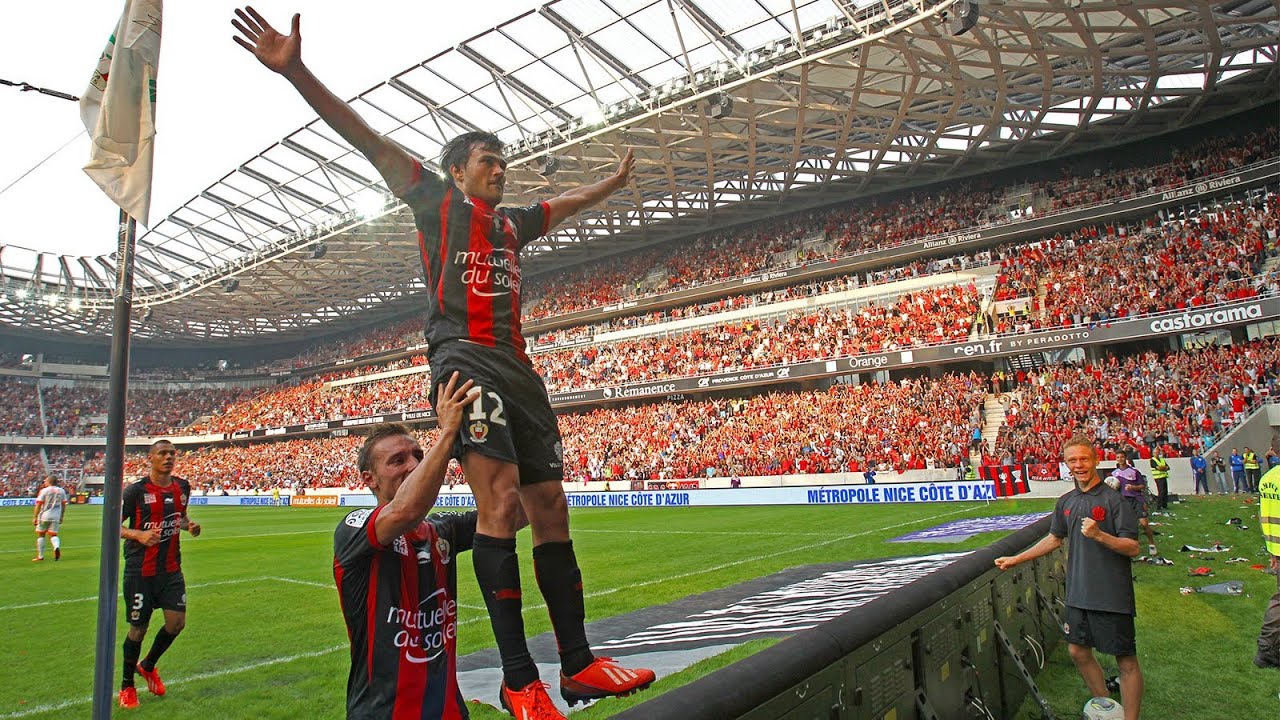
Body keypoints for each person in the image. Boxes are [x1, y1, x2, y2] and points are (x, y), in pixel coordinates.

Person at [233, 9, 654, 718]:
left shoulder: (513, 224)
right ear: (458, 170)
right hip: (465, 361)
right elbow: (366, 138)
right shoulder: (435, 201)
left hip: (520, 369)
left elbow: (565, 202)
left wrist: (610, 185)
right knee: (500, 503)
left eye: (503, 162)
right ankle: (519, 680)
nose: (499, 169)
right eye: (487, 161)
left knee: (550, 506)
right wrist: (297, 71)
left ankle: (579, 665)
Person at [333, 375, 493, 719]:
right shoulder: (354, 528)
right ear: (369, 479)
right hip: (383, 712)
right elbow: (405, 511)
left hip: (449, 711)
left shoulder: (442, 529)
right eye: (397, 460)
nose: (414, 464)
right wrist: (448, 434)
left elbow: (512, 512)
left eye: (418, 455)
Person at [994, 438, 1142, 720]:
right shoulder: (1066, 501)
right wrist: (1016, 558)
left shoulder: (1114, 501)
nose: (1079, 465)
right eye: (1072, 460)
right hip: (1078, 590)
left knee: (1125, 658)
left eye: (1084, 459)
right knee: (1077, 651)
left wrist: (1099, 535)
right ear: (1066, 464)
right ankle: (1107, 709)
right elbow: (1053, 539)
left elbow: (1133, 548)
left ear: (1095, 460)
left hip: (1111, 592)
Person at [118, 439, 203, 709]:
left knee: (176, 623)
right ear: (151, 458)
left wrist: (190, 526)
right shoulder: (135, 491)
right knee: (138, 629)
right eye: (162, 453)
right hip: (140, 571)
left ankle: (147, 665)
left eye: (172, 454)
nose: (168, 458)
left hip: (171, 569)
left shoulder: (182, 487)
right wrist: (138, 534)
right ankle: (127, 686)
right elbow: (113, 525)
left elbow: (180, 517)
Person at [1256, 464, 1280, 668]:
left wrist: (1272, 550)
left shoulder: (1268, 478)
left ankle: (1267, 649)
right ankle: (1267, 649)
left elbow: (1265, 515)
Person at [1112, 455, 1156, 556]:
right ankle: (1130, 547)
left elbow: (1142, 486)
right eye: (1118, 457)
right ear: (1116, 459)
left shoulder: (1134, 471)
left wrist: (1133, 487)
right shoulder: (1114, 473)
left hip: (1136, 500)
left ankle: (1152, 544)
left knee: (1144, 524)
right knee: (1126, 526)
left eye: (1122, 457)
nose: (1120, 459)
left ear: (1125, 458)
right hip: (1123, 501)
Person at [32, 474, 68, 562]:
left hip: (44, 515)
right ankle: (56, 547)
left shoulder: (44, 491)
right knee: (53, 535)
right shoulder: (62, 491)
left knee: (41, 534)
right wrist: (62, 516)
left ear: (49, 482)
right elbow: (64, 505)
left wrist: (35, 517)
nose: (44, 482)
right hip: (56, 515)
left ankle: (40, 556)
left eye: (45, 481)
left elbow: (38, 504)